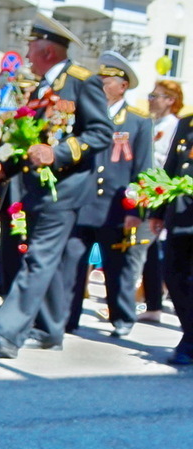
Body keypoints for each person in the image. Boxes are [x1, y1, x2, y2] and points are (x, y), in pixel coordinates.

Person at [0, 15, 113, 357]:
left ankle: (7, 332)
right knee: (48, 259)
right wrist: (3, 167)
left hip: (65, 189)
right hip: (35, 187)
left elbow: (100, 133)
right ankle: (51, 330)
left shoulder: (82, 82)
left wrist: (60, 152)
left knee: (38, 257)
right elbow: (29, 142)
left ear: (48, 51)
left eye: (31, 46)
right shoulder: (38, 88)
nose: (26, 53)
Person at [60, 51, 153, 339]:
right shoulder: (86, 112)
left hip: (115, 206)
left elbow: (143, 169)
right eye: (98, 78)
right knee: (73, 263)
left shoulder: (137, 120)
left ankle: (121, 316)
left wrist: (135, 211)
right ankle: (67, 317)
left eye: (106, 79)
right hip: (83, 201)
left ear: (122, 85)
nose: (100, 84)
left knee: (118, 266)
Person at [140, 80, 183, 322]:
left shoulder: (175, 126)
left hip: (161, 193)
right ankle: (151, 302)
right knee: (148, 249)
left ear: (170, 100)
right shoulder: (153, 123)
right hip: (146, 190)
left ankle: (153, 302)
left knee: (151, 249)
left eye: (155, 96)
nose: (150, 100)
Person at [159, 102, 193, 364]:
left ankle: (189, 340)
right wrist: (158, 212)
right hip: (180, 212)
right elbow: (171, 165)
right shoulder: (186, 122)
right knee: (172, 272)